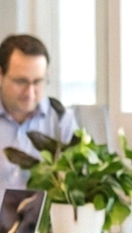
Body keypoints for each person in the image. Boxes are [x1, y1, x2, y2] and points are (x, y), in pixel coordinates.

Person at [0, 34, 77, 194]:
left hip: (48, 218)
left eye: (37, 82)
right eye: (21, 81)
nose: (30, 92)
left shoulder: (61, 119)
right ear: (1, 75)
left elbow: (78, 180)